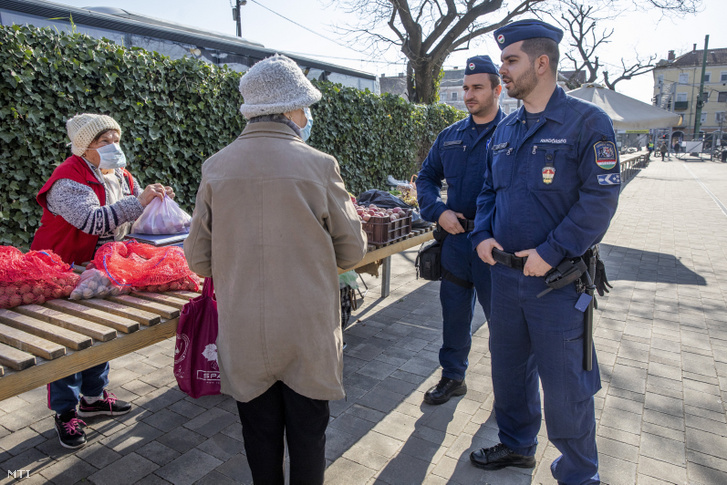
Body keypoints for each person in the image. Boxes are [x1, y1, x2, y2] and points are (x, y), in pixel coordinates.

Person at [184, 54, 367, 485]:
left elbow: (198, 259)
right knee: (309, 436)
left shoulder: (216, 166)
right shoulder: (320, 165)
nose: (306, 117)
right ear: (289, 108)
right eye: (304, 108)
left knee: (258, 436)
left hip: (244, 325)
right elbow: (353, 250)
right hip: (307, 326)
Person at [468, 20, 620, 484]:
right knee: (509, 374)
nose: (503, 71)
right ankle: (517, 446)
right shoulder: (507, 126)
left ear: (541, 62)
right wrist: (481, 235)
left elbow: (601, 199)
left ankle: (578, 473)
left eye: (510, 61)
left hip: (557, 284)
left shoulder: (586, 122)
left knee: (566, 387)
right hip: (505, 279)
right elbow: (488, 190)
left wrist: (553, 250)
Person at [31, 113, 173, 449]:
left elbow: (134, 210)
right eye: (104, 141)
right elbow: (92, 221)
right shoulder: (68, 180)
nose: (114, 146)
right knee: (66, 339)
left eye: (116, 139)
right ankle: (66, 412)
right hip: (62, 269)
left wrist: (156, 200)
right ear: (84, 147)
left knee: (98, 332)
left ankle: (94, 398)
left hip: (103, 265)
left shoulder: (121, 175)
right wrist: (137, 202)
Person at [416, 56, 505, 405]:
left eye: (477, 87)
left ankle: (509, 397)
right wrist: (438, 211)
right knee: (454, 318)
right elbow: (425, 178)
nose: (469, 94)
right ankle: (453, 377)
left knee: (504, 327)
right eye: (466, 88)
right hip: (455, 243)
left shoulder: (514, 134)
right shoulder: (450, 136)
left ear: (497, 89)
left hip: (496, 248)